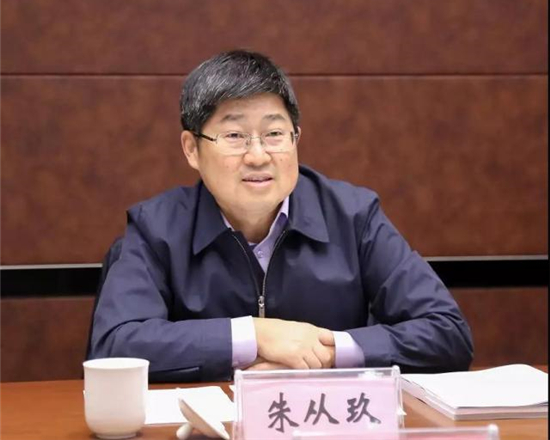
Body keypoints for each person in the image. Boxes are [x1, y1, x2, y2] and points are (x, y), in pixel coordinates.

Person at [89, 50, 473, 382]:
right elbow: (114, 345)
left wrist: (327, 353)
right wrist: (254, 336)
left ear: (295, 139)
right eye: (235, 136)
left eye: (274, 134)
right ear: (192, 149)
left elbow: (447, 333)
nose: (258, 156)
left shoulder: (353, 216)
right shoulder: (156, 228)